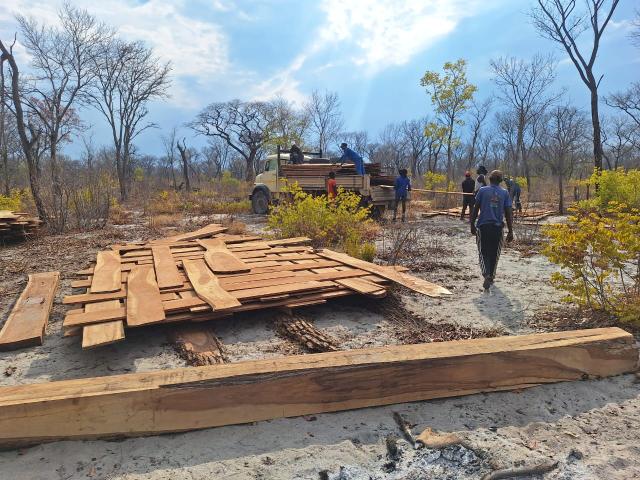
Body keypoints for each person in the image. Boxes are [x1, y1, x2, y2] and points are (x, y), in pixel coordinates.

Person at [470, 170, 514, 290]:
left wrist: (472, 224)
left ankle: (486, 274)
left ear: (489, 179)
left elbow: (475, 208)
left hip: (483, 227)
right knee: (495, 253)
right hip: (498, 228)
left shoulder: (483, 191)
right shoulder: (504, 193)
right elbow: (508, 212)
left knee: (483, 252)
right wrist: (510, 231)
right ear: (500, 181)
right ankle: (492, 276)